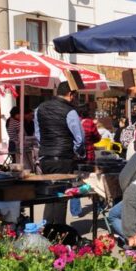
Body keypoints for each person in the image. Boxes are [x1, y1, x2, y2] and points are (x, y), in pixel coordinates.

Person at [34, 81, 85, 225]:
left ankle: (47, 229)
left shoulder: (39, 109)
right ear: (71, 95)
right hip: (63, 159)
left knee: (49, 196)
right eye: (75, 96)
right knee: (62, 196)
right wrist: (73, 150)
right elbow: (80, 138)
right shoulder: (70, 111)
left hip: (45, 158)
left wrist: (47, 147)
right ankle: (59, 232)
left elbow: (38, 135)